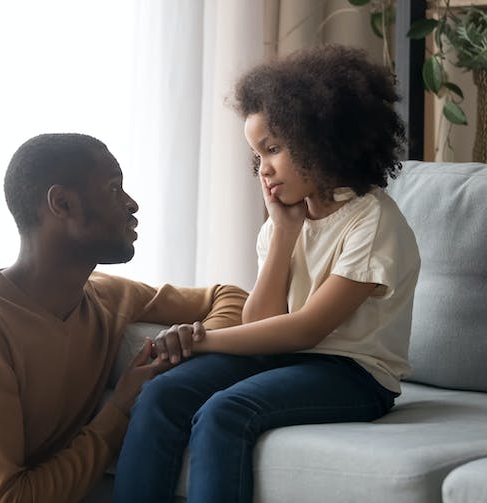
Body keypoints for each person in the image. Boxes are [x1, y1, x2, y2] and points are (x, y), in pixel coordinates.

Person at [112, 45, 421, 503]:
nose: (263, 169)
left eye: (272, 149)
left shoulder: (371, 220)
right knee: (161, 394)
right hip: (287, 359)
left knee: (225, 411)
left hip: (354, 374)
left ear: (320, 137)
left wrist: (200, 340)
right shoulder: (284, 223)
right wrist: (282, 232)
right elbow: (260, 325)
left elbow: (307, 327)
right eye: (256, 156)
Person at [0, 133, 248, 502]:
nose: (132, 204)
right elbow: (11, 499)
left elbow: (231, 297)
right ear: (61, 203)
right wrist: (119, 409)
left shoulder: (108, 296)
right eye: (114, 189)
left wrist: (196, 345)